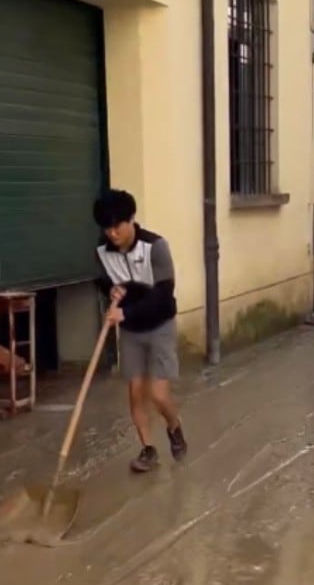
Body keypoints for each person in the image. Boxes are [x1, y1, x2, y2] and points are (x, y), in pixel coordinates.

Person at [92, 189, 187, 473]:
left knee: (158, 395)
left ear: (131, 220)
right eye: (106, 228)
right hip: (131, 331)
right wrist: (111, 289)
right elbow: (102, 280)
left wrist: (126, 311)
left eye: (117, 226)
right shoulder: (102, 251)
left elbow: (162, 296)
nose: (112, 233)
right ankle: (148, 450)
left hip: (159, 326)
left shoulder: (155, 247)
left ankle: (174, 427)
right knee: (135, 393)